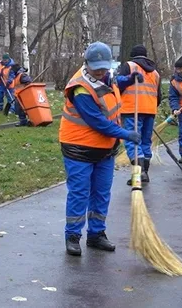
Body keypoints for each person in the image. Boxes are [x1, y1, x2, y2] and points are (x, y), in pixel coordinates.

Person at [59, 42, 142, 256]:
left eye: (104, 67)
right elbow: (97, 121)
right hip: (79, 149)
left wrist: (130, 80)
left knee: (102, 193)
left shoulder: (106, 76)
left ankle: (96, 234)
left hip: (105, 149)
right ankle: (73, 236)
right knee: (79, 193)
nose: (101, 72)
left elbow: (113, 86)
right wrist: (126, 134)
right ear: (86, 64)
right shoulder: (80, 88)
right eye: (97, 68)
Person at [116, 45, 161, 185]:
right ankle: (145, 173)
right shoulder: (155, 73)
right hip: (150, 110)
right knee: (146, 142)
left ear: (132, 55)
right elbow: (159, 95)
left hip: (132, 109)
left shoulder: (129, 66)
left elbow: (118, 84)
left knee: (132, 141)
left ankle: (138, 173)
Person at [10, 63, 33, 127]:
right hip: (18, 95)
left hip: (23, 94)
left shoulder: (22, 75)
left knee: (23, 108)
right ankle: (23, 121)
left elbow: (28, 82)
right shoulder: (17, 76)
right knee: (19, 109)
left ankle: (28, 120)